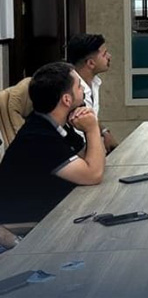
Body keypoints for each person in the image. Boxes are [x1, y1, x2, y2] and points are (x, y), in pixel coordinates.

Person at [0, 62, 105, 244]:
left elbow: (92, 160)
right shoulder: (38, 137)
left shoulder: (55, 125)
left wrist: (90, 131)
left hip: (53, 214)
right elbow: (93, 174)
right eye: (79, 87)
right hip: (25, 228)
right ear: (67, 99)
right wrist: (92, 129)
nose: (83, 91)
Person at [67, 33, 118, 152]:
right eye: (104, 54)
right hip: (76, 152)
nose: (109, 56)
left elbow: (91, 116)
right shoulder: (70, 90)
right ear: (90, 63)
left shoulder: (94, 82)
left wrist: (104, 132)